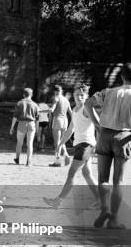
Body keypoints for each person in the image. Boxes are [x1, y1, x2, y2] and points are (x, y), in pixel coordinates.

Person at [84, 62, 131, 229]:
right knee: (118, 181)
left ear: (122, 76)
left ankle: (104, 210)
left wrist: (97, 124)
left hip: (104, 134)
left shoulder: (108, 92)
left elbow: (88, 104)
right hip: (124, 136)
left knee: (103, 178)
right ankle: (114, 219)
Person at [43, 84, 98, 209]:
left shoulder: (87, 109)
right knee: (87, 174)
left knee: (72, 172)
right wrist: (60, 144)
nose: (79, 97)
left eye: (82, 95)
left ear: (87, 96)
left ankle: (58, 200)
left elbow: (99, 125)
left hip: (87, 145)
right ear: (73, 95)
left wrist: (100, 144)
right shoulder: (74, 110)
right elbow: (69, 130)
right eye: (77, 94)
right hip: (80, 144)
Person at [10, 88, 39, 166]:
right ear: (31, 95)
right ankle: (28, 161)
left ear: (23, 94)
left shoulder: (20, 103)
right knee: (30, 143)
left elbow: (15, 116)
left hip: (22, 124)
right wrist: (37, 129)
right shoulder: (35, 104)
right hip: (31, 124)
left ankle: (17, 159)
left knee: (19, 143)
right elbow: (37, 118)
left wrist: (12, 127)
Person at [49, 85, 73, 167]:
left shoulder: (56, 98)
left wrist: (44, 110)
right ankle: (66, 156)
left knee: (57, 142)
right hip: (65, 121)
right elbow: (70, 112)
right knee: (62, 141)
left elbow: (52, 109)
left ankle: (57, 162)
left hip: (57, 120)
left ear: (54, 91)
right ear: (61, 90)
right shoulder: (66, 99)